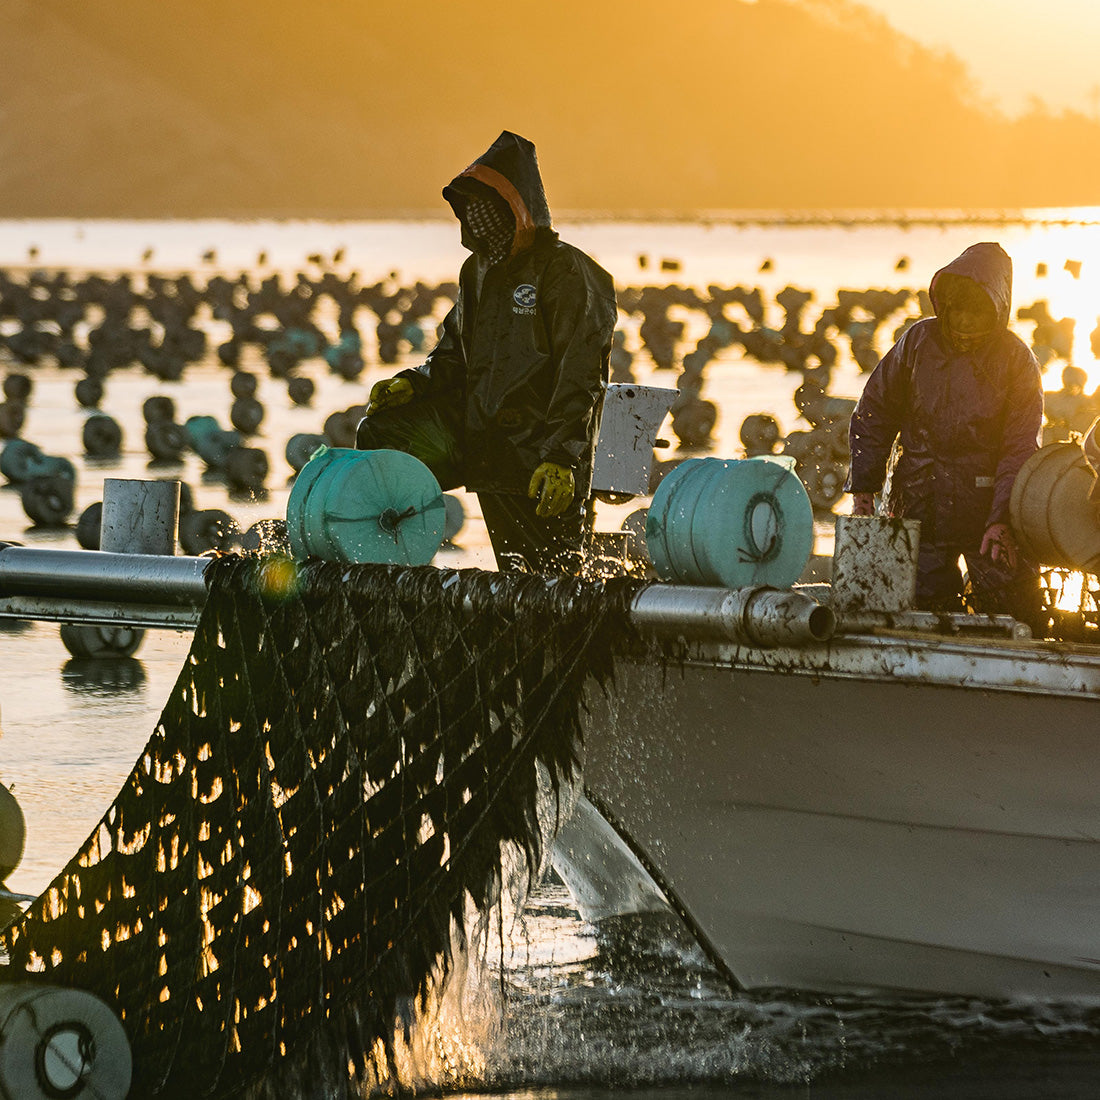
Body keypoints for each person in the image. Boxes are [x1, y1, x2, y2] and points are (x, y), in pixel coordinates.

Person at [357, 130, 617, 574]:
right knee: (379, 432)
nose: (479, 221)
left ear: (518, 209)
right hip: (487, 451)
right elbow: (455, 352)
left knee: (553, 577)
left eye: (489, 209)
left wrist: (562, 457)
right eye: (470, 210)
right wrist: (412, 382)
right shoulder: (477, 271)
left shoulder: (568, 272)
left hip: (541, 459)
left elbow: (582, 373)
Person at [846, 242, 1044, 627]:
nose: (966, 323)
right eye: (959, 311)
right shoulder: (918, 342)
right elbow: (874, 413)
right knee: (918, 611)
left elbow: (1020, 447)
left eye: (978, 313)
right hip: (918, 503)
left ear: (997, 310)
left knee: (1014, 611)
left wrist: (1002, 520)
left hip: (985, 511)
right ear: (946, 305)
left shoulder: (1017, 360)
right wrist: (863, 490)